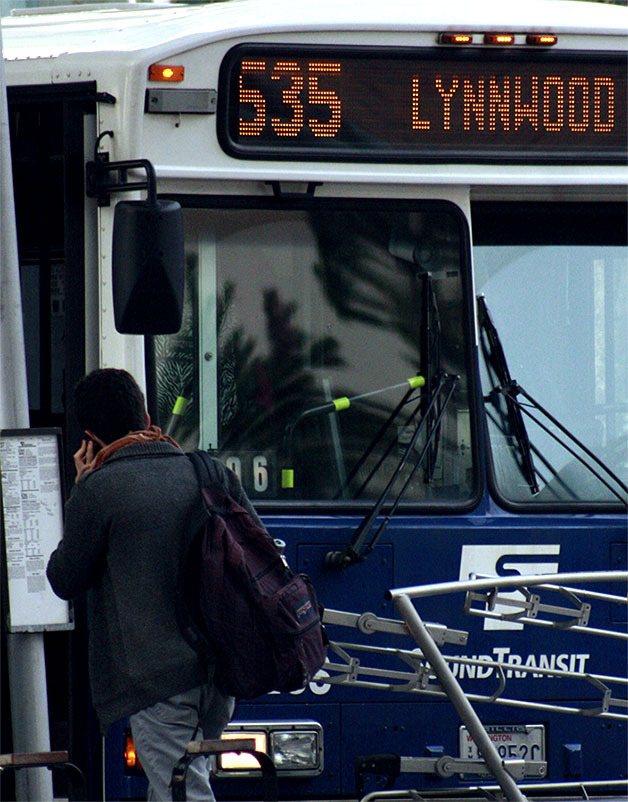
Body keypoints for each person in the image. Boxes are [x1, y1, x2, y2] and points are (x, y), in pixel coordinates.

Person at [47, 368, 257, 801]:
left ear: (90, 437)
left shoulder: (101, 488)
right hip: (222, 674)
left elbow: (63, 578)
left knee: (180, 791)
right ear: (145, 413)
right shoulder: (210, 473)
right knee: (176, 784)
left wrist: (80, 489)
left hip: (159, 682)